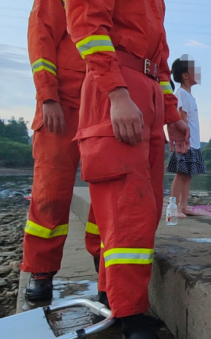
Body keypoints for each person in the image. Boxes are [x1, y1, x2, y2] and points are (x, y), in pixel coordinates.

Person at [66, 0, 190, 338]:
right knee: (127, 210)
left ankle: (113, 297)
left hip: (145, 97)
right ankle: (131, 316)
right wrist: (117, 93)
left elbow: (159, 63)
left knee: (143, 209)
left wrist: (172, 116)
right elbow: (88, 24)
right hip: (117, 92)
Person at [21, 0, 101, 302]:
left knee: (106, 192)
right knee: (49, 193)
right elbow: (40, 38)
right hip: (61, 105)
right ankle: (41, 271)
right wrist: (47, 96)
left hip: (100, 102)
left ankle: (102, 259)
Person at [167, 55, 208, 218]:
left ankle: (184, 205)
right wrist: (184, 139)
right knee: (181, 173)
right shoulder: (181, 93)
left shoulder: (190, 95)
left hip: (194, 143)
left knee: (188, 174)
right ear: (185, 75)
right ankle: (174, 205)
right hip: (186, 142)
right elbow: (181, 116)